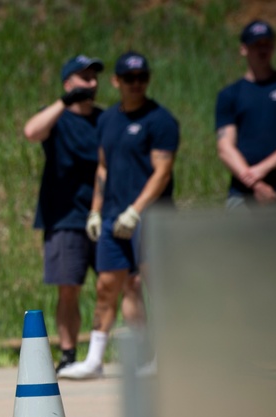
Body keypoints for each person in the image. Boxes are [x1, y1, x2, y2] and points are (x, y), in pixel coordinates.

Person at [58, 52, 179, 380]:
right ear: (117, 82)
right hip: (113, 216)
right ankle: (94, 360)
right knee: (107, 286)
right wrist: (95, 212)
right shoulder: (108, 120)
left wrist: (135, 210)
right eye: (129, 79)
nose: (136, 84)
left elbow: (162, 172)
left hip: (150, 217)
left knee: (157, 286)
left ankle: (167, 356)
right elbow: (103, 167)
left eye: (142, 78)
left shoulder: (160, 120)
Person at [23, 54, 104, 372]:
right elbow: (31, 132)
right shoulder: (54, 119)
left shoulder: (105, 119)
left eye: (94, 77)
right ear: (69, 82)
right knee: (68, 287)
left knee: (114, 284)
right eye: (84, 77)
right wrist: (63, 102)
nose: (91, 83)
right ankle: (69, 353)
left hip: (102, 213)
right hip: (64, 216)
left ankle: (101, 351)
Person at [216, 19, 276, 208]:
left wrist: (263, 168)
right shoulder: (230, 94)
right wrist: (255, 183)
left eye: (267, 44)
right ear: (244, 49)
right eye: (256, 45)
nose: (262, 50)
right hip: (243, 194)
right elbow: (225, 148)